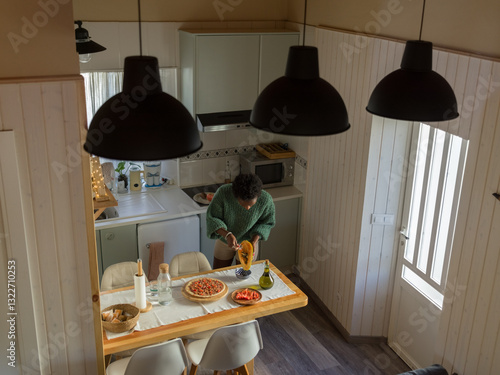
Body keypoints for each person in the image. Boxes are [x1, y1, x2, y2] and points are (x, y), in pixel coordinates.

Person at [206, 173, 275, 269]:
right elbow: (212, 217)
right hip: (224, 240)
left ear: (258, 196)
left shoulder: (266, 200)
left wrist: (254, 241)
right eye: (243, 204)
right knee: (219, 273)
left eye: (251, 205)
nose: (247, 208)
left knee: (243, 276)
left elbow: (266, 223)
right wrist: (227, 235)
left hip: (249, 242)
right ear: (236, 195)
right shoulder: (223, 193)